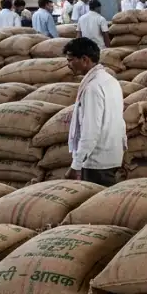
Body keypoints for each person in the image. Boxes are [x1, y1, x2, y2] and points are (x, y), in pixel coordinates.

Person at [64, 37, 125, 186]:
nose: (68, 64)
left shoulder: (92, 88)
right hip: (111, 155)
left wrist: (76, 165)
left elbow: (90, 130)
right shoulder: (110, 80)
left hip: (96, 162)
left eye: (71, 60)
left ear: (84, 59)